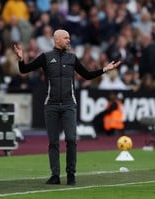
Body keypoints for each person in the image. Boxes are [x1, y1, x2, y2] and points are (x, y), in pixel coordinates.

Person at [13, 29, 120, 185]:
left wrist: (104, 69)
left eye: (69, 37)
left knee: (71, 139)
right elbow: (24, 70)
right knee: (53, 142)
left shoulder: (72, 58)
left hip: (69, 104)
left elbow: (87, 75)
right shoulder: (46, 57)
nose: (69, 40)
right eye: (66, 38)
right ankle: (55, 175)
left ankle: (71, 174)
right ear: (57, 40)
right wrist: (21, 59)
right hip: (51, 105)